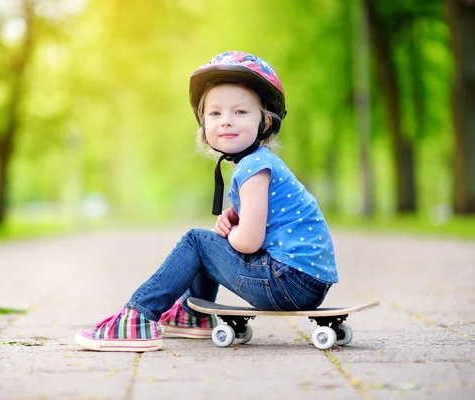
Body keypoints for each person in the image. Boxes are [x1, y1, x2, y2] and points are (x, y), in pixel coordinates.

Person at [74, 51, 338, 352]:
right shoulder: (260, 163)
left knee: (196, 242)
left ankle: (138, 318)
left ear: (264, 121)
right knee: (206, 244)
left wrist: (233, 235)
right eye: (215, 114)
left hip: (287, 282)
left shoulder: (253, 167)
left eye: (240, 112)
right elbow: (269, 219)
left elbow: (249, 242)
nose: (226, 121)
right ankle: (192, 316)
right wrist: (236, 219)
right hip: (307, 282)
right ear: (204, 123)